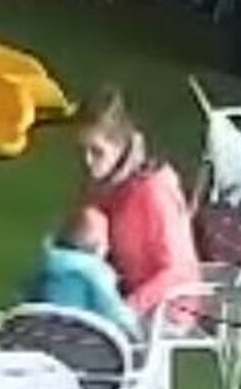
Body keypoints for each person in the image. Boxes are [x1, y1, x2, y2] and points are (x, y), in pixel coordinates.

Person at [77, 86, 201, 321]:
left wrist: (127, 309)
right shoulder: (106, 182)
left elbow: (176, 271)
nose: (87, 161)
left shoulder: (154, 189)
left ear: (121, 147)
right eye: (81, 150)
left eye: (96, 152)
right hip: (123, 293)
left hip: (165, 311)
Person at [25, 207, 142, 337]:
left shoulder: (37, 264)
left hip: (34, 339)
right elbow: (114, 311)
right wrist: (134, 330)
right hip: (78, 341)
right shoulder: (95, 271)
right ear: (99, 247)